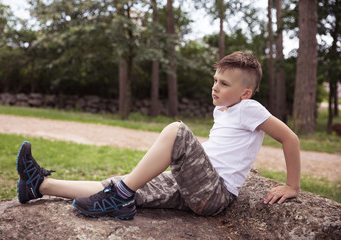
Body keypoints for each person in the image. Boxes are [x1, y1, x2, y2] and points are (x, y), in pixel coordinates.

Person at [16, 51, 301, 220]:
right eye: (215, 79)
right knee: (119, 183)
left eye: (223, 83)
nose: (214, 87)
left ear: (245, 93)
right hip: (196, 187)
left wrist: (292, 186)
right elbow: (224, 149)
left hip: (215, 194)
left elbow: (290, 138)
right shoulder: (224, 110)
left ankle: (121, 196)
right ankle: (39, 185)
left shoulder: (250, 108)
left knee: (176, 131)